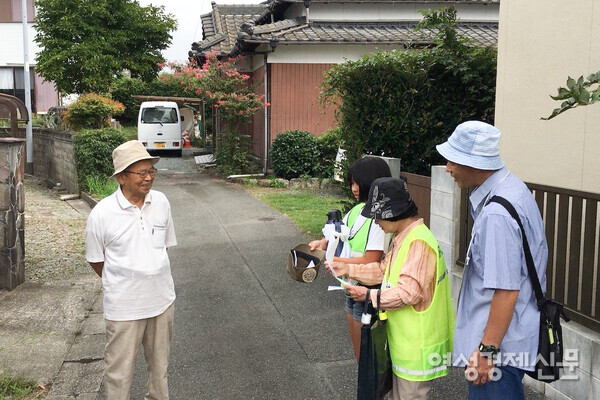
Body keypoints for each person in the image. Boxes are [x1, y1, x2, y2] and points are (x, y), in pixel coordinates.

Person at [436, 121, 548, 399]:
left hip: (499, 349)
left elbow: (507, 289)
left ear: (475, 163)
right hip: (509, 339)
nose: (448, 167)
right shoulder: (514, 190)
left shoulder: (497, 213)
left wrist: (487, 351)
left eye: (454, 160)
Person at [332, 177, 455, 400]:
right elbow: (384, 271)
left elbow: (409, 293)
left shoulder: (418, 242)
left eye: (377, 216)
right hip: (404, 347)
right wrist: (348, 269)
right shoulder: (404, 237)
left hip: (417, 351)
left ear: (392, 213)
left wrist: (368, 295)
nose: (376, 222)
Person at [85, 140, 177, 400]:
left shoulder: (161, 202)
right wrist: (124, 281)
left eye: (151, 171)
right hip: (124, 307)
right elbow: (96, 260)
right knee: (119, 374)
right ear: (121, 178)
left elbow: (163, 248)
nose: (148, 178)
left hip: (162, 301)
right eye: (141, 173)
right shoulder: (102, 214)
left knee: (160, 371)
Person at [309, 156, 391, 361]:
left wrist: (340, 264)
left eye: (357, 183)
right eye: (351, 183)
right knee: (360, 355)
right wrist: (322, 243)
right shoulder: (357, 210)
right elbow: (338, 234)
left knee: (369, 357)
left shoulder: (378, 218)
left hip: (369, 294)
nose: (354, 188)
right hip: (351, 289)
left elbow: (371, 261)